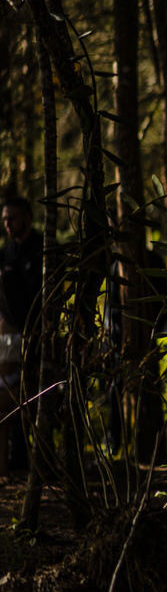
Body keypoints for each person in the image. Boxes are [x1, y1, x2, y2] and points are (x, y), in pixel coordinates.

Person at [0, 195, 43, 474]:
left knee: (35, 393)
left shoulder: (41, 247)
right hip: (9, 335)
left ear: (26, 217)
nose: (7, 224)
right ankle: (14, 459)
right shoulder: (5, 252)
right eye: (4, 219)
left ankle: (38, 458)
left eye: (12, 218)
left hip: (39, 333)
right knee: (9, 391)